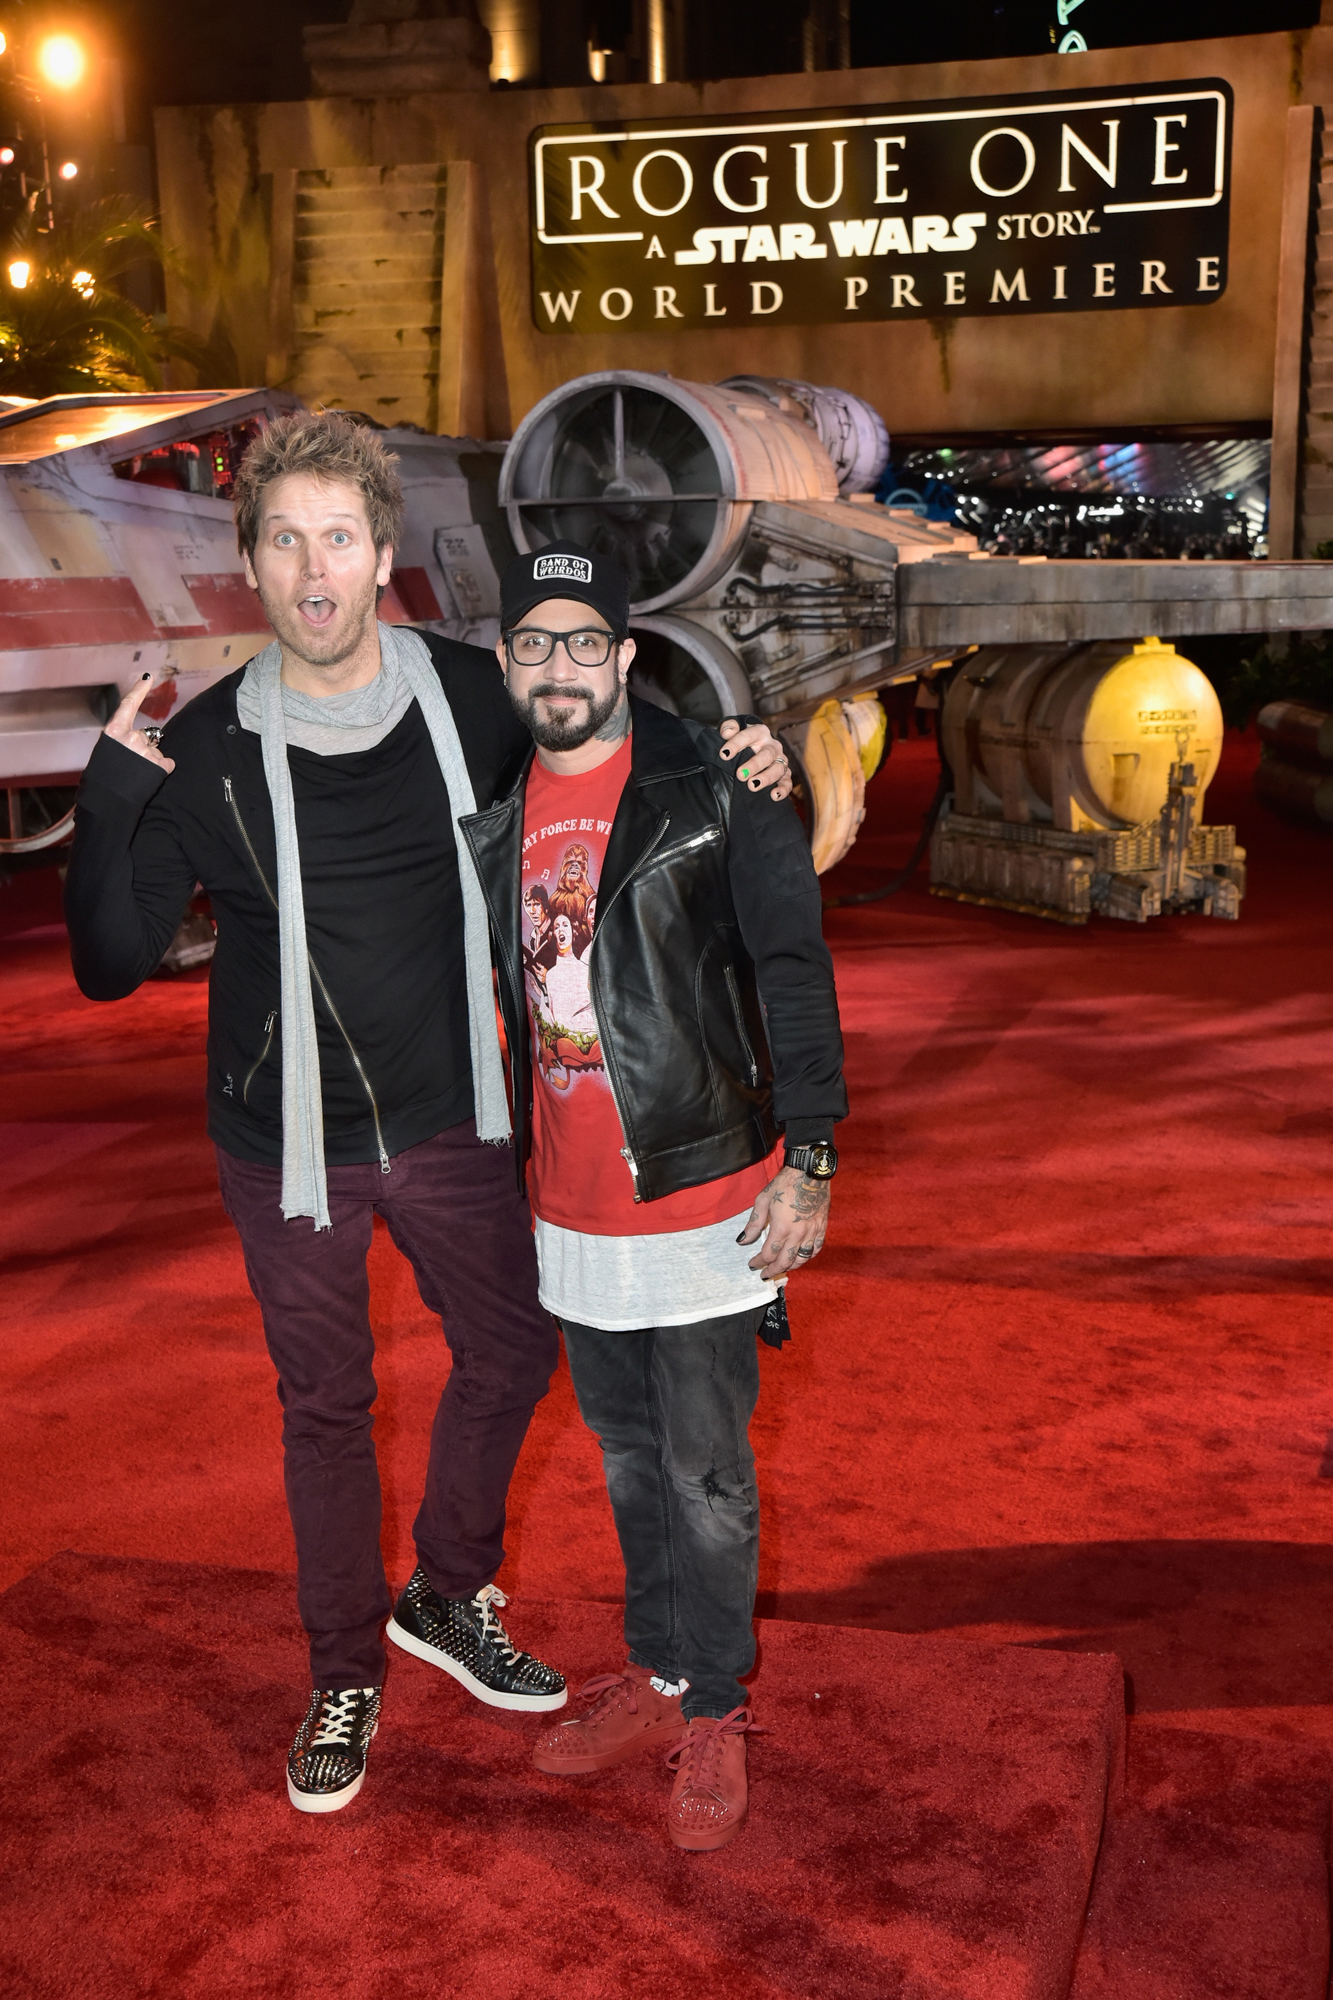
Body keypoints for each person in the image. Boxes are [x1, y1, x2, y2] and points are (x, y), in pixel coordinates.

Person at [62, 414, 793, 1816]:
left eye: (338, 538)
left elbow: (604, 729)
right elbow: (105, 963)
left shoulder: (468, 695)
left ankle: (446, 1593)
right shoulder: (205, 748)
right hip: (287, 1144)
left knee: (513, 1349)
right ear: (251, 565)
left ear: (380, 553)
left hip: (457, 1117)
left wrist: (734, 751)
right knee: (325, 1407)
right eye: (285, 540)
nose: (313, 569)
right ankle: (343, 1672)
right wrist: (111, 791)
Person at [462, 541, 846, 1852]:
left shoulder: (716, 781)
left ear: (625, 656)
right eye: (535, 644)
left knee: (706, 1471)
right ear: (507, 663)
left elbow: (792, 966)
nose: (559, 667)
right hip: (568, 1205)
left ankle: (718, 1706)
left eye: (586, 641)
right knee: (628, 1455)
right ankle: (663, 1670)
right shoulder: (498, 805)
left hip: (704, 1188)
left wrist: (812, 1158)